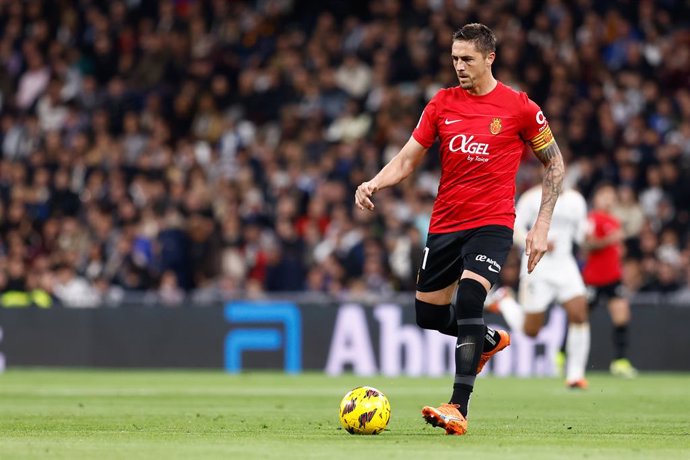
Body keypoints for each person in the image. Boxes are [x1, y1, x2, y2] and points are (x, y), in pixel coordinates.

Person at [354, 23, 565, 435]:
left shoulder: (520, 108)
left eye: (467, 59)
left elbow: (554, 163)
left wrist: (541, 225)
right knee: (428, 315)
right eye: (454, 58)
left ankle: (458, 406)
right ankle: (486, 340)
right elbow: (408, 158)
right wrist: (374, 182)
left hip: (492, 223)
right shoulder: (441, 104)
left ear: (490, 58)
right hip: (445, 223)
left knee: (470, 297)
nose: (459, 66)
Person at [487, 185, 591, 389]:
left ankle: (575, 375)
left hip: (565, 264)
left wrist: (589, 234)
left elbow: (580, 234)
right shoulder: (531, 198)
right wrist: (535, 240)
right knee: (531, 330)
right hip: (537, 266)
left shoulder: (576, 200)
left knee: (579, 314)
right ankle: (505, 301)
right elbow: (515, 227)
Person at [582, 183, 638, 378]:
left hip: (613, 278)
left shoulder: (614, 220)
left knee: (622, 316)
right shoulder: (591, 219)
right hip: (594, 279)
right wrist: (610, 240)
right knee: (579, 318)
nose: (609, 198)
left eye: (611, 195)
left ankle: (620, 362)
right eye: (604, 194)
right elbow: (587, 245)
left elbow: (617, 248)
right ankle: (561, 357)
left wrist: (618, 250)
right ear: (597, 198)